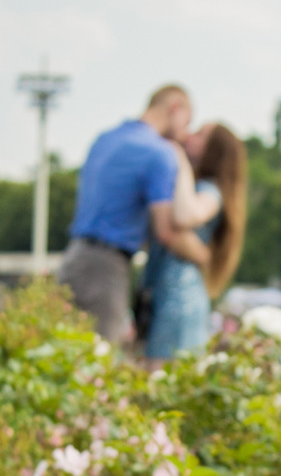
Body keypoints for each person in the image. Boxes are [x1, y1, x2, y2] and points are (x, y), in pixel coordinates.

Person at [59, 85, 210, 344]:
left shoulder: (104, 139)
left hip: (75, 257)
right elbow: (166, 231)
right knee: (100, 358)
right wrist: (206, 256)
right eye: (187, 121)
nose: (185, 134)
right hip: (106, 267)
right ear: (175, 107)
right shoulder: (159, 153)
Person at [143, 124, 247, 367]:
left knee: (163, 374)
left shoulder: (210, 191)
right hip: (169, 294)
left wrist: (178, 159)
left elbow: (184, 216)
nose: (190, 136)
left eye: (200, 135)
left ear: (214, 151)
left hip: (180, 297)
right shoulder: (199, 188)